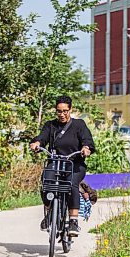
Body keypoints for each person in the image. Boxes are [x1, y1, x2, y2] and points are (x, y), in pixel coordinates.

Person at [30, 96, 95, 236]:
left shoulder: (79, 125)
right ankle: (48, 215)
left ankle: (73, 221)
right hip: (55, 162)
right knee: (46, 183)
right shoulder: (50, 125)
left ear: (70, 110)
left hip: (75, 164)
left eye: (65, 111)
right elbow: (42, 137)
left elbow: (87, 140)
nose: (62, 114)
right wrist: (37, 144)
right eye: (59, 111)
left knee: (71, 185)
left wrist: (86, 148)